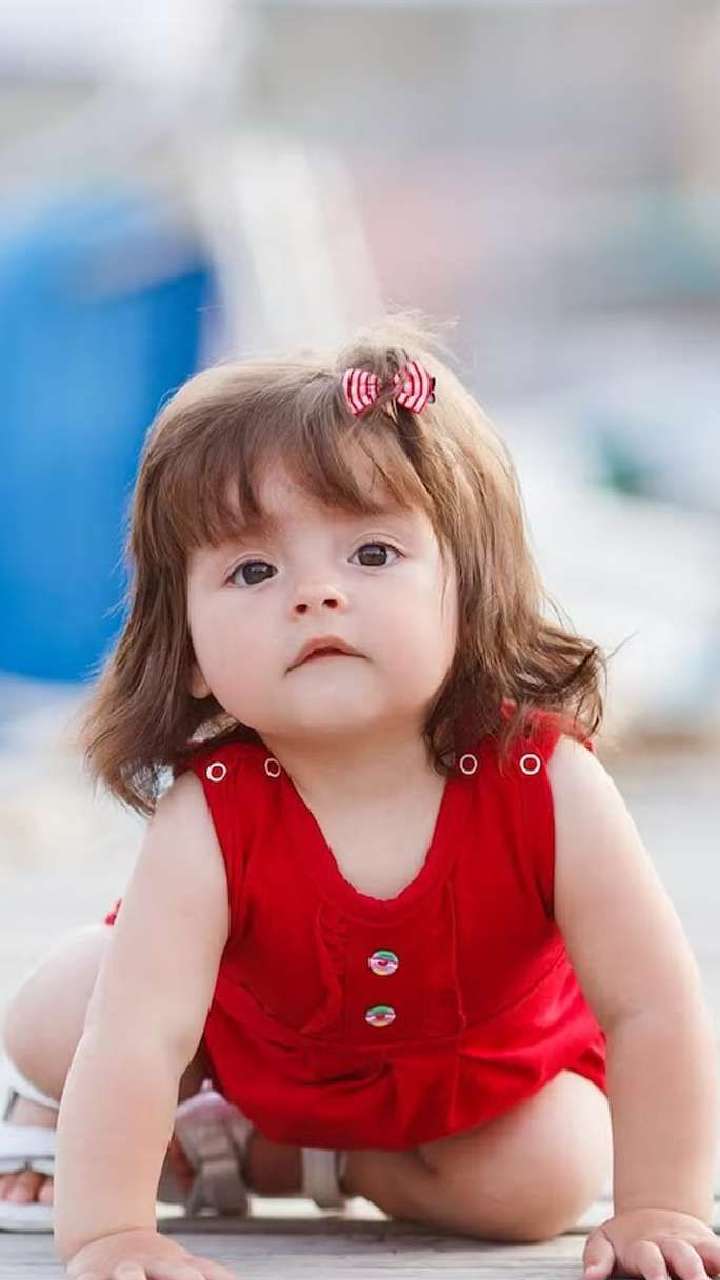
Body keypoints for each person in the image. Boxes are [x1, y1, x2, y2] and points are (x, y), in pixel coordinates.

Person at [1, 312, 718, 1280]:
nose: (315, 594)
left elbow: (652, 1005)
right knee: (65, 1012)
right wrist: (109, 1231)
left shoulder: (546, 781)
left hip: (474, 1084)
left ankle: (277, 1157)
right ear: (191, 652)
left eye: (372, 554)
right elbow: (140, 1036)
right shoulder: (211, 810)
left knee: (547, 1175)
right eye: (253, 570)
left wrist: (663, 1206)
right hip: (245, 1046)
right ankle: (72, 1117)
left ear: (472, 589)